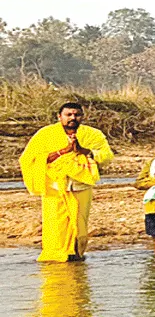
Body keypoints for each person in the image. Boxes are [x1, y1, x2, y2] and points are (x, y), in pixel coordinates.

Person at [19, 103, 115, 262]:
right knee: (55, 225)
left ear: (82, 117)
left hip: (81, 185)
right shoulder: (46, 134)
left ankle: (76, 256)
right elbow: (29, 158)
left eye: (77, 115)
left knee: (79, 225)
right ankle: (54, 258)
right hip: (54, 187)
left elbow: (106, 156)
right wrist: (64, 151)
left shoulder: (92, 134)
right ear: (59, 116)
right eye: (68, 115)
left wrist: (83, 150)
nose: (73, 118)